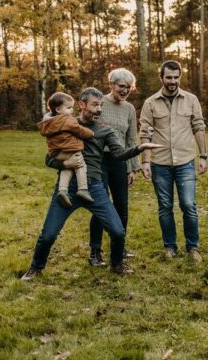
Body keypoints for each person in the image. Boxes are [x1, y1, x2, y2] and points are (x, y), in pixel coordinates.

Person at [21, 87, 161, 280]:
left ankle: (117, 264)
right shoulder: (63, 123)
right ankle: (36, 268)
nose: (99, 109)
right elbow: (49, 159)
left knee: (118, 231)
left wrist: (140, 148)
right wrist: (65, 163)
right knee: (48, 235)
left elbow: (119, 154)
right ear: (81, 105)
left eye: (101, 105)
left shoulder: (105, 130)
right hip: (68, 190)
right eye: (95, 105)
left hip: (94, 187)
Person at [139, 60, 208, 262]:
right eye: (168, 77)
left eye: (176, 77)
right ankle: (170, 246)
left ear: (180, 77)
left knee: (188, 204)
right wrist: (145, 162)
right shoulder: (150, 103)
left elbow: (198, 127)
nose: (173, 81)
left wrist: (203, 156)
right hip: (160, 163)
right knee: (165, 206)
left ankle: (192, 246)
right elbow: (145, 133)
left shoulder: (191, 99)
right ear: (161, 78)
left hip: (185, 161)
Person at [87, 68, 141, 268]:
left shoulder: (129, 109)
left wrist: (132, 168)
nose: (125, 90)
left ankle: (119, 248)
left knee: (122, 208)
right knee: (101, 207)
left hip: (120, 161)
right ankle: (95, 251)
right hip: (99, 161)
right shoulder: (99, 102)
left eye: (128, 87)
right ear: (111, 85)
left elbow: (131, 139)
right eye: (121, 86)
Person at [37, 92, 95, 208]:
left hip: (56, 153)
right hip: (70, 149)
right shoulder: (67, 120)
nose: (71, 111)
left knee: (67, 168)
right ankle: (83, 189)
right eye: (69, 108)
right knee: (80, 165)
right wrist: (91, 133)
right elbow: (79, 130)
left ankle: (63, 190)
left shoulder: (48, 122)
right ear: (58, 109)